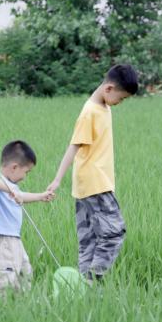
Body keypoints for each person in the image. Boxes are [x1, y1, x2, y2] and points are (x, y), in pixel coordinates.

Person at [46, 64, 138, 284]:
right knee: (115, 233)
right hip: (96, 184)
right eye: (121, 98)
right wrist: (57, 179)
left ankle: (84, 293)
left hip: (86, 185)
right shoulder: (90, 112)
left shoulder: (103, 108)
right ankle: (91, 280)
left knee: (89, 240)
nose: (120, 103)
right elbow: (74, 146)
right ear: (108, 89)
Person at [0, 140, 53, 306]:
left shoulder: (12, 186)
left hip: (14, 238)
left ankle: (21, 305)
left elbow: (21, 195)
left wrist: (41, 196)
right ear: (14, 167)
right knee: (4, 275)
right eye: (26, 172)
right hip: (4, 238)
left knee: (25, 271)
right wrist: (10, 190)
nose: (25, 176)